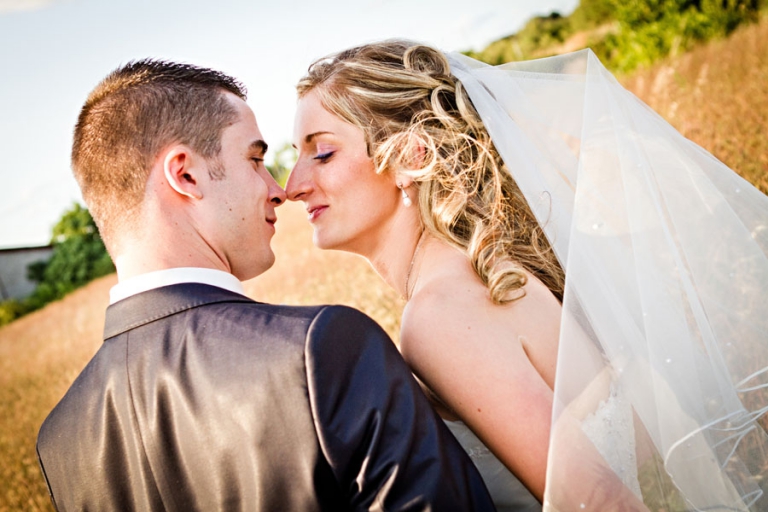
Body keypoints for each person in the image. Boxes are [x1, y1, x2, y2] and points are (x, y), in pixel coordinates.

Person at [286, 40, 768, 511]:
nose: (293, 186)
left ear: (412, 158)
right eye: (295, 156)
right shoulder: (487, 274)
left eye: (323, 153)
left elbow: (600, 501)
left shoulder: (443, 314)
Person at [35, 58, 497, 512]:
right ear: (185, 174)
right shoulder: (320, 350)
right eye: (255, 159)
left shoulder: (59, 439)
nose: (279, 189)